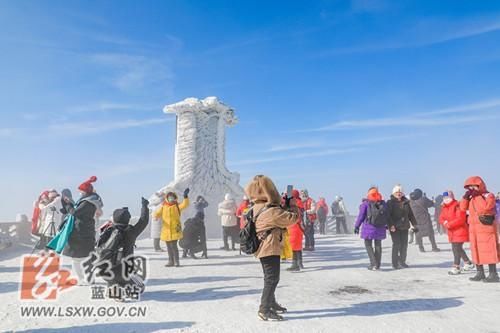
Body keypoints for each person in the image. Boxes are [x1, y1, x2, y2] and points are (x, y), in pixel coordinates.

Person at [245, 175, 299, 321]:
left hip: (263, 246)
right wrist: (292, 205)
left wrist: (283, 206)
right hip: (269, 247)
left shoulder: (257, 207)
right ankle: (264, 309)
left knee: (270, 277)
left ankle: (271, 303)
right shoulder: (270, 210)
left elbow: (278, 216)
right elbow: (292, 218)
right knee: (272, 279)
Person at [95, 197, 150, 301]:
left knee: (112, 276)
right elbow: (143, 221)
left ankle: (114, 289)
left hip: (105, 270)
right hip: (125, 270)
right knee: (138, 287)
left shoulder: (108, 230)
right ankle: (127, 288)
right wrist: (144, 206)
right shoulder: (131, 231)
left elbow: (99, 246)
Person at [63, 176, 104, 285]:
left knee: (78, 258)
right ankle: (86, 279)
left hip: (81, 233)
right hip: (84, 231)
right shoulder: (90, 201)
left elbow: (75, 212)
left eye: (80, 191)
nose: (79, 193)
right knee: (84, 257)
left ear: (85, 192)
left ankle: (83, 279)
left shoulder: (87, 202)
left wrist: (67, 205)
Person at [460, 176, 499, 282]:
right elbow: (462, 208)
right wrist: (465, 197)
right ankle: (480, 272)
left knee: (488, 250)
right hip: (474, 229)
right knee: (476, 250)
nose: (472, 189)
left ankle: (493, 274)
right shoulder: (471, 197)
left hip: (485, 228)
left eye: (474, 186)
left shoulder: (488, 195)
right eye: (470, 187)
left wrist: (478, 196)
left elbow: (486, 208)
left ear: (480, 185)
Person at [438, 191, 474, 275]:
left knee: (456, 248)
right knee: (458, 248)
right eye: (444, 198)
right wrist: (445, 223)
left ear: (452, 197)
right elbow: (441, 218)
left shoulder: (457, 205)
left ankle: (456, 266)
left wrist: (449, 224)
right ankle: (468, 263)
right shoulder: (444, 207)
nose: (446, 200)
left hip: (460, 230)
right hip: (452, 232)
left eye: (448, 198)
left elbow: (460, 219)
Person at [354, 187, 388, 271]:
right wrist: (387, 224)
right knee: (378, 245)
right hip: (380, 227)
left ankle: (373, 264)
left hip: (368, 227)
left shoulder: (366, 203)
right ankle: (378, 264)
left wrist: (357, 226)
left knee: (368, 245)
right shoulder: (383, 203)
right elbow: (387, 215)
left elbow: (361, 216)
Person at [154, 188, 190, 267]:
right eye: (169, 197)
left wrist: (185, 196)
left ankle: (176, 261)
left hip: (175, 229)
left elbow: (185, 204)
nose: (171, 198)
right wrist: (155, 216)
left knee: (174, 246)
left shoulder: (177, 205)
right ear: (167, 198)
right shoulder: (164, 206)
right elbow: (158, 213)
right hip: (166, 230)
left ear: (175, 197)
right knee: (168, 247)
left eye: (172, 197)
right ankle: (171, 261)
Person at [387, 185, 418, 269]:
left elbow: (410, 215)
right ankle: (395, 263)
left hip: (404, 226)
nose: (398, 194)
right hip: (395, 227)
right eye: (397, 192)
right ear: (393, 193)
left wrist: (415, 224)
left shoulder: (406, 202)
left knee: (404, 245)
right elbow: (388, 216)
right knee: (396, 244)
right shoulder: (390, 203)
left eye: (400, 192)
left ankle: (402, 261)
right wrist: (391, 225)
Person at [287, 189, 305, 271]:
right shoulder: (300, 203)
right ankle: (300, 263)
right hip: (299, 227)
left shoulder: (294, 204)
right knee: (298, 246)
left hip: (294, 227)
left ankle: (295, 264)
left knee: (294, 246)